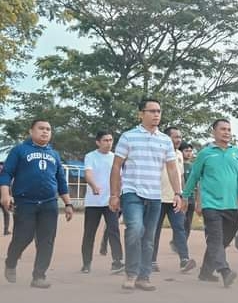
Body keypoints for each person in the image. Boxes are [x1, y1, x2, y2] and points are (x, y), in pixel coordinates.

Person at [109, 98, 184, 291]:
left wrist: (178, 193)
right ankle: (131, 273)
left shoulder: (165, 140)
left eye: (158, 111)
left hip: (155, 195)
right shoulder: (128, 137)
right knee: (134, 229)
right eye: (151, 111)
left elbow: (172, 168)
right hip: (132, 192)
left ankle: (144, 277)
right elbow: (117, 166)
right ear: (141, 114)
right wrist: (114, 194)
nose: (156, 115)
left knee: (149, 237)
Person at [1, 119, 75, 288]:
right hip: (25, 202)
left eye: (48, 129)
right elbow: (6, 174)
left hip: (49, 204)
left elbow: (61, 181)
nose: (45, 132)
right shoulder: (19, 150)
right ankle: (11, 262)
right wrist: (5, 194)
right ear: (31, 131)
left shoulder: (54, 154)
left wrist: (68, 204)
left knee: (46, 240)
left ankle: (39, 276)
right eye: (41, 128)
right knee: (23, 237)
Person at [182, 119, 238, 287]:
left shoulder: (235, 152)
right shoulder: (205, 153)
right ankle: (225, 271)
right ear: (213, 132)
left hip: (231, 204)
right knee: (216, 238)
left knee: (224, 240)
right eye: (222, 129)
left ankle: (205, 272)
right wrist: (185, 196)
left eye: (229, 129)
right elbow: (194, 176)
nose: (226, 132)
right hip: (211, 204)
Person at [151, 126, 196, 274]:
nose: (178, 140)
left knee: (180, 228)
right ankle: (151, 261)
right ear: (166, 137)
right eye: (175, 137)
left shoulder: (179, 155)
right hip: (157, 198)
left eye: (180, 137)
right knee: (154, 231)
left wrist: (184, 196)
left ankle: (184, 260)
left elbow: (181, 177)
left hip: (174, 199)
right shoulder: (158, 152)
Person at [80, 131, 124, 274]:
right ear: (98, 142)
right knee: (89, 233)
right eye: (105, 140)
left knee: (114, 230)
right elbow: (88, 174)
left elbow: (120, 178)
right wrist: (94, 186)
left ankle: (117, 261)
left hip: (110, 201)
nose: (109, 143)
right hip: (93, 202)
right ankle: (86, 263)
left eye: (111, 140)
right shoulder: (90, 156)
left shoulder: (116, 158)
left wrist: (118, 194)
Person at [180, 142, 196, 239]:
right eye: (186, 151)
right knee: (181, 220)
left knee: (188, 222)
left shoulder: (194, 166)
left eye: (190, 151)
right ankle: (177, 240)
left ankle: (183, 241)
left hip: (191, 198)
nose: (189, 153)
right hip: (181, 198)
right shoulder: (178, 164)